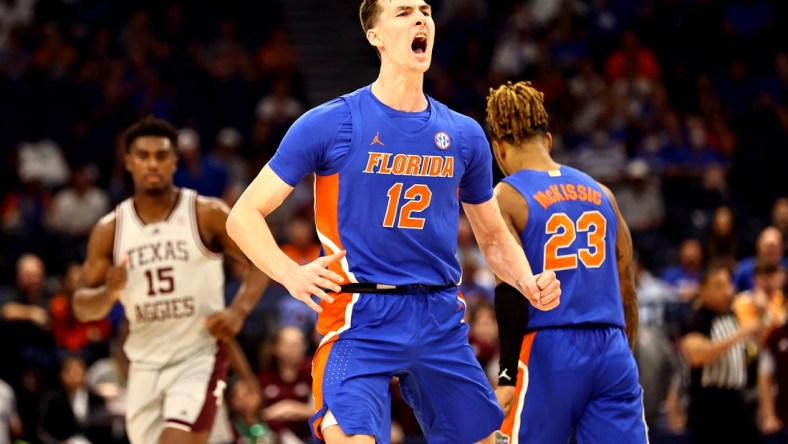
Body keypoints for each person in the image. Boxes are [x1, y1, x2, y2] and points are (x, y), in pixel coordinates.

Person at [225, 1, 561, 443]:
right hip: (360, 316)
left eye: (425, 10)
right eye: (403, 12)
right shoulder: (332, 122)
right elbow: (243, 215)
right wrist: (289, 273)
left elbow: (494, 236)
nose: (421, 18)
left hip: (439, 315)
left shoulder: (463, 134)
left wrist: (526, 279)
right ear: (375, 36)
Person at [73, 116, 270, 444]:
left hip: (198, 357)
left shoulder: (205, 213)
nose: (152, 163)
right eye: (143, 155)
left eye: (161, 156)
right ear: (128, 163)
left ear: (174, 161)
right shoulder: (110, 229)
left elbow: (263, 259)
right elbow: (81, 307)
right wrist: (107, 293)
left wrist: (239, 310)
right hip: (143, 365)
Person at [486, 81, 646, 443]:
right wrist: (622, 360)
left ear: (499, 150)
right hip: (612, 346)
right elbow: (627, 289)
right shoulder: (603, 194)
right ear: (549, 141)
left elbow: (510, 292)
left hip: (550, 347)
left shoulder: (507, 195)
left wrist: (508, 376)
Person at [682, 263, 762, 444]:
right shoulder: (696, 320)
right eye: (719, 286)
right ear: (702, 291)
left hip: (736, 399)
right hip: (709, 406)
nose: (727, 291)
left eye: (728, 284)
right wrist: (738, 335)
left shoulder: (733, 314)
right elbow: (696, 356)